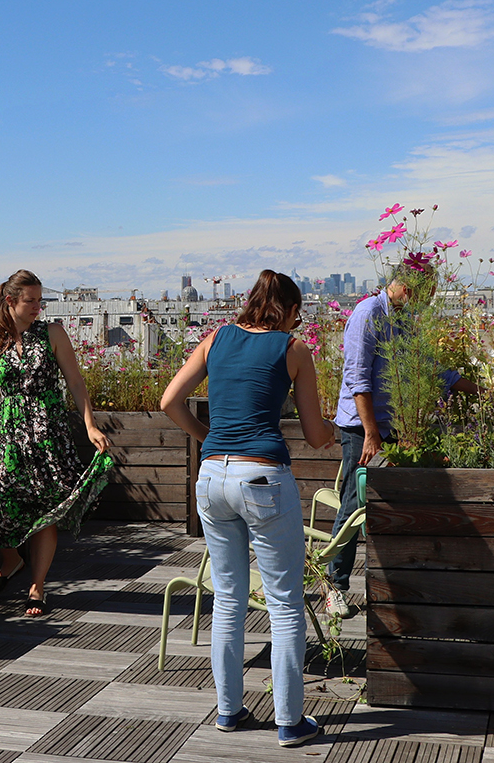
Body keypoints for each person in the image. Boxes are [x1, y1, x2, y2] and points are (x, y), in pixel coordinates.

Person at [158, 270, 333, 750]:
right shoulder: (293, 350)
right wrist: (337, 433)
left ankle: (230, 712)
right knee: (284, 602)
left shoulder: (216, 339)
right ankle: (290, 722)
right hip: (263, 478)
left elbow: (169, 400)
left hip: (212, 479)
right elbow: (316, 435)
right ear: (290, 310)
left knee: (229, 598)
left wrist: (208, 443)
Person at [0, 270, 115, 617]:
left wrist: (90, 426)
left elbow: (76, 383)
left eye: (39, 300)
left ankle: (37, 586)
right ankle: (12, 559)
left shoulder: (53, 334)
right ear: (10, 301)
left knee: (46, 508)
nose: (37, 307)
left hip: (48, 431)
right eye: (30, 301)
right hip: (7, 432)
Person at [326, 267, 474, 615]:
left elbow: (425, 367)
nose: (429, 300)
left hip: (390, 426)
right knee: (354, 505)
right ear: (407, 287)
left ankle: (389, 586)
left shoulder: (404, 319)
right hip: (363, 429)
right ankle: (335, 586)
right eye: (427, 293)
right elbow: (357, 378)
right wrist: (371, 434)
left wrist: (475, 389)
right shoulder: (369, 313)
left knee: (385, 508)